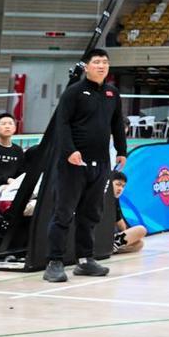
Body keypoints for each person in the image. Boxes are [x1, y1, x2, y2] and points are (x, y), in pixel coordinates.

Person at [43, 49, 127, 283]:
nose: (101, 66)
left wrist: (122, 150)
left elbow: (117, 123)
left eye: (105, 62)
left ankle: (84, 260)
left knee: (90, 214)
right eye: (97, 62)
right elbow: (62, 124)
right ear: (87, 66)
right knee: (63, 213)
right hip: (74, 164)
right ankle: (54, 262)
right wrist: (70, 151)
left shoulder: (112, 93)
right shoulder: (74, 92)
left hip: (101, 164)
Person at [108, 172, 145, 254]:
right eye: (118, 184)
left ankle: (110, 249)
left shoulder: (115, 199)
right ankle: (110, 247)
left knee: (139, 244)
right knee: (141, 230)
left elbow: (120, 224)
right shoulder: (103, 198)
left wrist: (127, 234)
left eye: (123, 186)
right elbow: (120, 224)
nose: (120, 188)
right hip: (101, 238)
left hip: (110, 237)